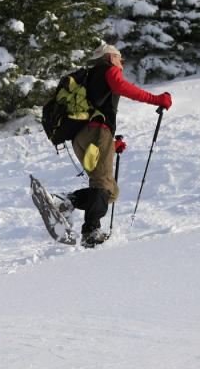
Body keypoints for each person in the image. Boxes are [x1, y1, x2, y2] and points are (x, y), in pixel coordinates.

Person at [59, 44, 172, 248]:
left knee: (110, 191)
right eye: (120, 60)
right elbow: (122, 87)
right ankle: (91, 231)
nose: (121, 65)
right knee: (101, 183)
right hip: (97, 132)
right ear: (111, 58)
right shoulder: (108, 70)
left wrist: (111, 144)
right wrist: (157, 100)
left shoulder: (89, 77)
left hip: (81, 138)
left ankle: (67, 202)